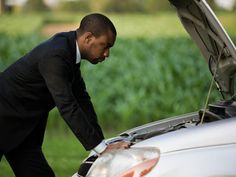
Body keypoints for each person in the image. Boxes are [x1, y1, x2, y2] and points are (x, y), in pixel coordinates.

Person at [0, 13, 129, 177]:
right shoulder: (57, 55)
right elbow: (67, 105)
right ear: (88, 38)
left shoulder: (69, 52)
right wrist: (101, 148)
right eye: (105, 46)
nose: (107, 53)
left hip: (23, 130)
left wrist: (102, 144)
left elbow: (82, 99)